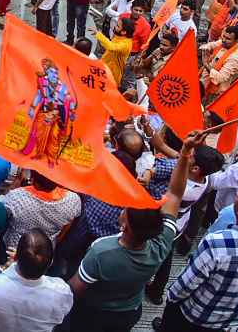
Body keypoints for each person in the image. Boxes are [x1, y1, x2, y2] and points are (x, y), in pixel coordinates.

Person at [66, 131, 203, 330]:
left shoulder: (101, 252)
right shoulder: (161, 244)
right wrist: (185, 154)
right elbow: (174, 194)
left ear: (125, 225)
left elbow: (74, 289)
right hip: (128, 312)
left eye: (127, 208)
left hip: (94, 312)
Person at [155, 182, 238, 332]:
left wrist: (171, 296)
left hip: (197, 315)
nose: (235, 199)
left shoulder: (217, 243)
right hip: (233, 317)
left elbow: (186, 284)